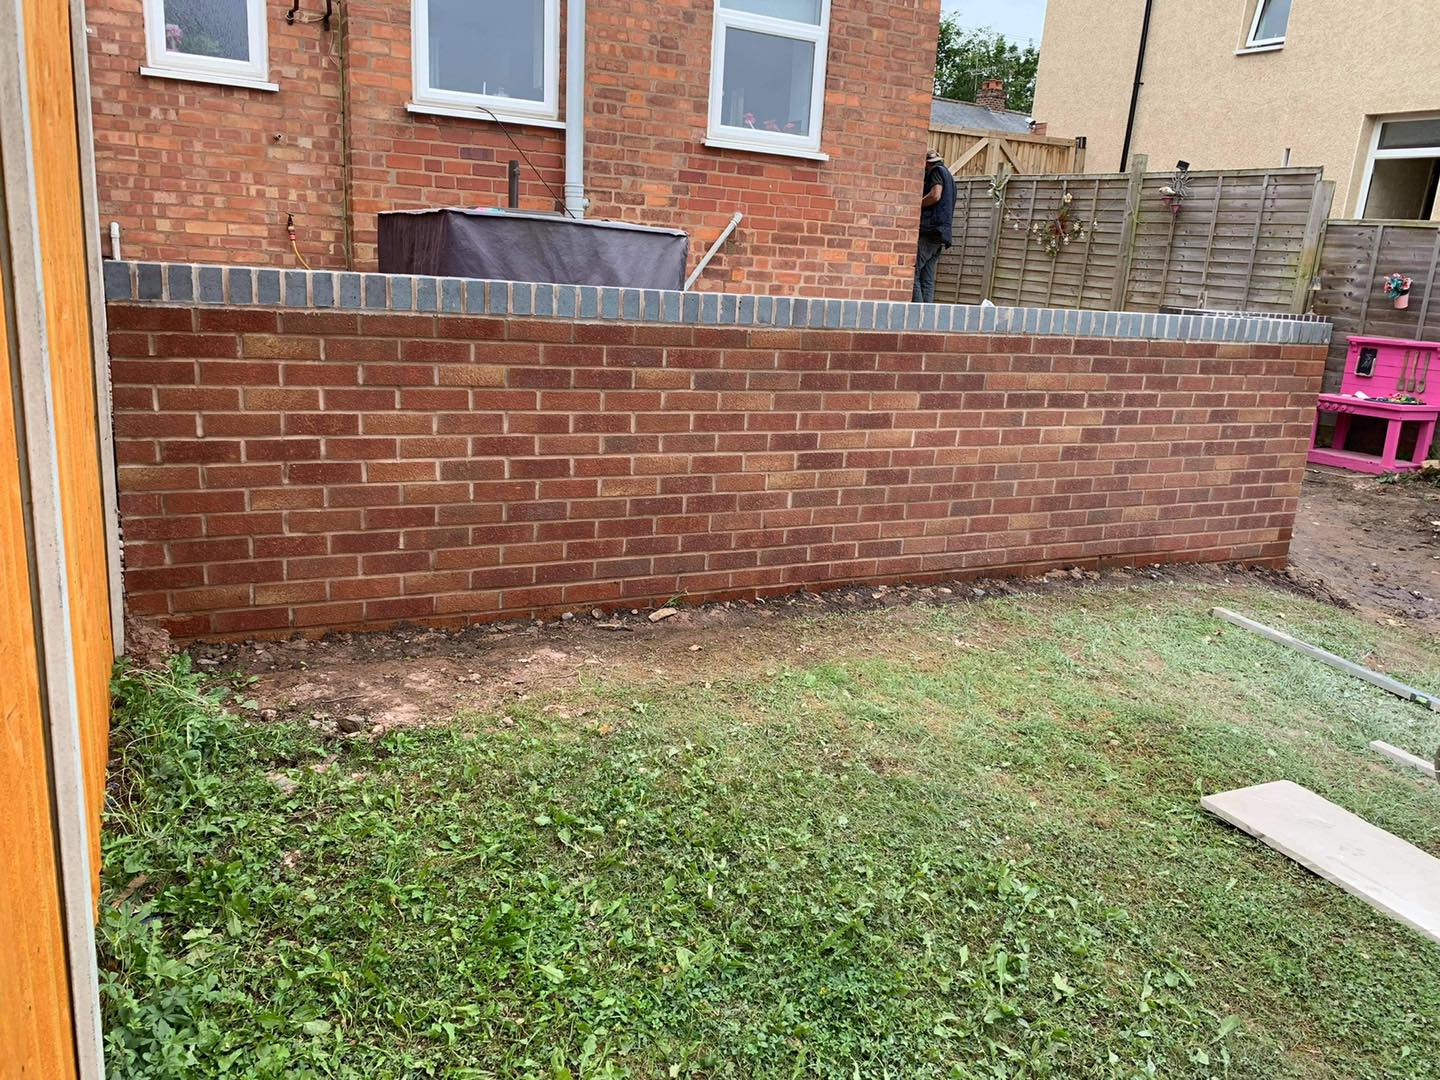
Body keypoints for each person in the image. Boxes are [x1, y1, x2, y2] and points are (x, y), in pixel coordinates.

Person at [913, 149, 956, 303]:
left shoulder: (936, 171)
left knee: (913, 274)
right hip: (941, 234)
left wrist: (916, 205)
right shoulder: (949, 176)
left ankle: (916, 315)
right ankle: (927, 319)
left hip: (931, 230)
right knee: (927, 278)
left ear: (926, 163)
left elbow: (935, 195)